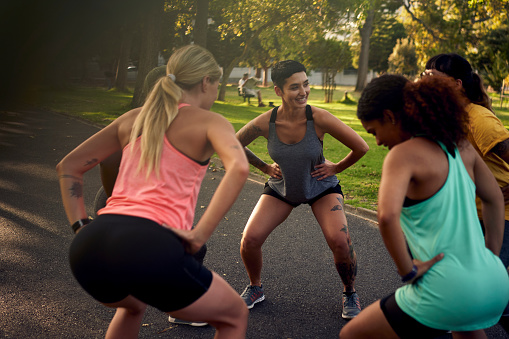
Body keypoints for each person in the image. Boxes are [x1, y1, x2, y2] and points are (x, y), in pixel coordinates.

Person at [56, 45, 250, 338]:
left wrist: (81, 225)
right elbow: (239, 168)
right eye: (218, 84)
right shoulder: (211, 121)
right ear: (205, 82)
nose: (216, 92)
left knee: (133, 306)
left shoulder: (132, 119)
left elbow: (68, 166)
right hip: (146, 243)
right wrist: (199, 236)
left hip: (90, 246)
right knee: (235, 315)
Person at [340, 74, 509, 339]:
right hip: (494, 281)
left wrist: (408, 271)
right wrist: (491, 255)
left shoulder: (403, 155)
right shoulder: (461, 146)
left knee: (351, 334)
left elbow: (386, 217)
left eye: (374, 131)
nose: (378, 142)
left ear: (390, 115)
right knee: (466, 329)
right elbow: (495, 199)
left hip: (448, 289)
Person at [236, 60, 369, 319]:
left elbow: (361, 147)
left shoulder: (318, 117)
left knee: (340, 241)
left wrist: (337, 167)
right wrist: (263, 167)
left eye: (306, 84)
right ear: (278, 91)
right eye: (294, 87)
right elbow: (233, 144)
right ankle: (255, 288)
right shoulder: (266, 122)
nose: (303, 91)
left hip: (321, 188)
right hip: (282, 188)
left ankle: (350, 292)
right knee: (249, 240)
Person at [423, 53, 509, 332]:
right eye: (424, 74)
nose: (426, 80)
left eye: (433, 76)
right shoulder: (448, 118)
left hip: (501, 217)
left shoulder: (479, 120)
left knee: (489, 293)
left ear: (458, 84)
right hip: (471, 216)